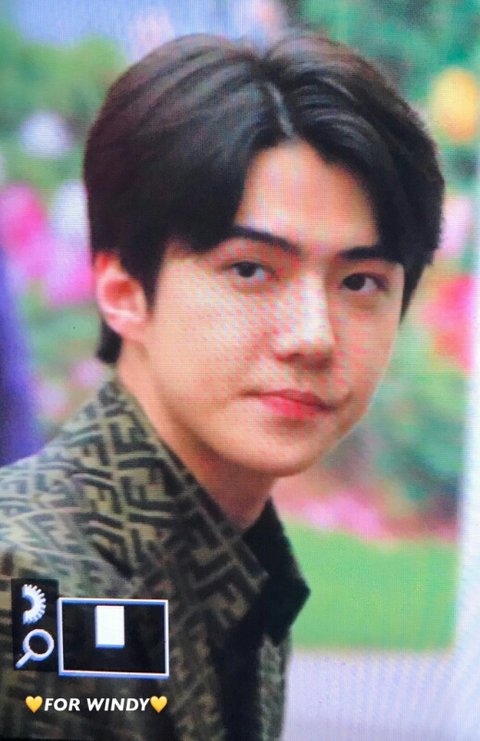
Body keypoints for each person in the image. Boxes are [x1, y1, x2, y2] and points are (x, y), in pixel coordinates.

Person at [0, 30, 443, 741]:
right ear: (122, 290)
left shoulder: (232, 564)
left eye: (361, 282)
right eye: (251, 270)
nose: (314, 335)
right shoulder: (38, 580)